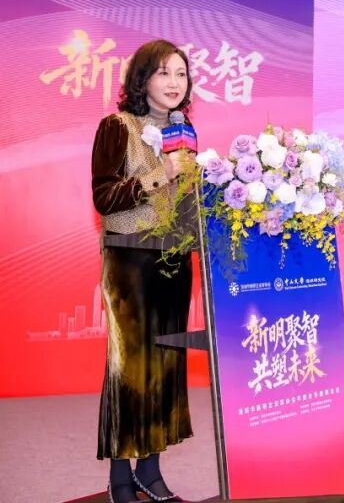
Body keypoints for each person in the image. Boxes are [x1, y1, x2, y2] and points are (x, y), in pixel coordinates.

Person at [91, 39, 197, 503]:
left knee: (165, 366)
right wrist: (161, 173)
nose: (174, 82)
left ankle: (150, 472)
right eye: (163, 73)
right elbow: (104, 198)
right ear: (143, 79)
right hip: (130, 261)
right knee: (131, 368)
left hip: (174, 260)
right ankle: (120, 476)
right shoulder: (118, 126)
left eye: (181, 73)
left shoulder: (185, 130)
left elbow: (186, 199)